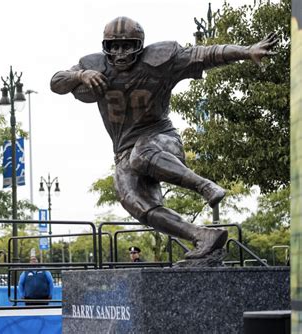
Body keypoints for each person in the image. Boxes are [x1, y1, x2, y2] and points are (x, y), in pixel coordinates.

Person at [50, 16, 277, 260]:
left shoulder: (161, 61)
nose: (120, 52)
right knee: (135, 203)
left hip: (161, 138)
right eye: (114, 46)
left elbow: (207, 54)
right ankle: (202, 236)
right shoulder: (94, 67)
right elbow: (56, 82)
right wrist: (81, 76)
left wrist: (246, 51)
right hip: (124, 149)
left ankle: (204, 186)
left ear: (139, 45)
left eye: (127, 46)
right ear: (105, 47)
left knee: (142, 155)